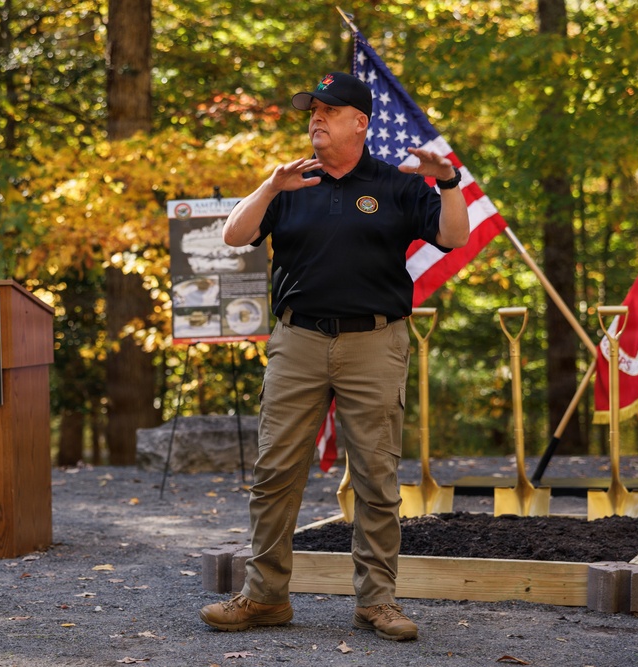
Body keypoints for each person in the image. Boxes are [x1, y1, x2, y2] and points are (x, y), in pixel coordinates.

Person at [198, 71, 469, 641]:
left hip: (375, 342)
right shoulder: (292, 181)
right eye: (312, 111)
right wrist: (270, 186)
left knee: (375, 476)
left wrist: (449, 181)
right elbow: (233, 234)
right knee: (275, 473)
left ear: (360, 122)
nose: (315, 119)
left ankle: (377, 602)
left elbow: (455, 237)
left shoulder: (395, 184)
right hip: (297, 341)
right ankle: (265, 597)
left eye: (329, 110)